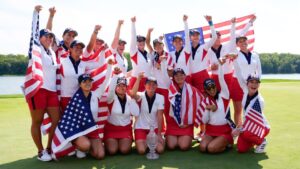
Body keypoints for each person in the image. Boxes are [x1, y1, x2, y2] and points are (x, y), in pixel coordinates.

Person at [25, 5, 60, 161]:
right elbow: (36, 31)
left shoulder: (51, 51)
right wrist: (36, 13)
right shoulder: (36, 48)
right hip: (38, 90)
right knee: (37, 121)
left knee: (56, 119)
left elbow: (48, 31)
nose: (49, 38)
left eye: (50, 37)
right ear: (39, 39)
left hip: (51, 91)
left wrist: (52, 16)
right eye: (45, 37)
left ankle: (49, 147)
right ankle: (40, 151)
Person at [62, 60, 113, 159]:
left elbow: (106, 81)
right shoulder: (76, 98)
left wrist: (110, 66)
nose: (87, 83)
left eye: (89, 81)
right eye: (84, 82)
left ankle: (88, 147)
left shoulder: (95, 94)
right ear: (80, 84)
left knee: (100, 155)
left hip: (92, 128)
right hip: (79, 130)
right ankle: (78, 146)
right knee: (85, 145)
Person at [232, 56, 270, 153]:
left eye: (256, 82)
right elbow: (239, 74)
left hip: (261, 127)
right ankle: (253, 140)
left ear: (259, 84)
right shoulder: (245, 90)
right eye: (251, 82)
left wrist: (238, 130)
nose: (254, 85)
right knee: (241, 148)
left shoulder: (260, 101)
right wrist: (234, 59)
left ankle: (262, 141)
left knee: (245, 134)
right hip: (250, 125)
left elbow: (250, 121)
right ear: (247, 83)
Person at [198, 63, 235, 154]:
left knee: (211, 148)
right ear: (206, 90)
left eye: (213, 87)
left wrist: (221, 66)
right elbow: (204, 120)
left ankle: (227, 144)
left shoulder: (224, 96)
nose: (211, 90)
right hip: (210, 130)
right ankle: (216, 143)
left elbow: (221, 79)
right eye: (208, 89)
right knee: (203, 147)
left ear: (215, 86)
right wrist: (207, 109)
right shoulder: (205, 101)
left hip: (224, 131)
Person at [59, 40, 103, 112]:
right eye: (76, 47)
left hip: (79, 98)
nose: (79, 49)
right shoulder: (62, 61)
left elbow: (100, 64)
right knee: (67, 122)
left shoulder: (83, 64)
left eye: (81, 48)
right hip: (65, 97)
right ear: (70, 49)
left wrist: (103, 51)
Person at [104, 68, 139, 155]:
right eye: (119, 85)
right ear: (116, 87)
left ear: (127, 87)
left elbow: (136, 113)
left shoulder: (129, 99)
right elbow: (111, 90)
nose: (121, 87)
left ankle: (124, 141)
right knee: (112, 151)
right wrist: (115, 75)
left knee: (124, 150)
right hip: (111, 129)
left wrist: (132, 98)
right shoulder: (111, 99)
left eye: (124, 85)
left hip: (125, 129)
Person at [166, 68, 202, 151]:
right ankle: (174, 137)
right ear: (173, 77)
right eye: (176, 75)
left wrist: (190, 122)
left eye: (181, 75)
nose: (179, 77)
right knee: (171, 146)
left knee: (183, 146)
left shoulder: (193, 90)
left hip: (187, 124)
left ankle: (185, 136)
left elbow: (200, 105)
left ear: (185, 76)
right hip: (173, 123)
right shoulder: (170, 88)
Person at [230, 32, 261, 127]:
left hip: (252, 84)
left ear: (247, 42)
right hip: (238, 83)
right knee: (238, 110)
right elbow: (222, 59)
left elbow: (259, 70)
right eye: (240, 41)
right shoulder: (235, 54)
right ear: (237, 44)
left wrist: (257, 82)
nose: (243, 43)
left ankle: (250, 128)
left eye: (244, 41)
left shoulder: (255, 55)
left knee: (251, 108)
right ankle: (239, 129)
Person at [131, 74, 165, 154]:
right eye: (149, 84)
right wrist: (138, 78)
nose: (151, 86)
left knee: (160, 150)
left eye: (153, 84)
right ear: (145, 85)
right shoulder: (140, 95)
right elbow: (133, 94)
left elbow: (160, 116)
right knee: (141, 151)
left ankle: (148, 141)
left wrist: (159, 134)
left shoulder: (160, 97)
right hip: (140, 128)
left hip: (154, 128)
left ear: (156, 86)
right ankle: (146, 141)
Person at [189, 15, 217, 94]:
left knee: (207, 97)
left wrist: (210, 22)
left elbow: (214, 37)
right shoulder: (187, 49)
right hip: (193, 77)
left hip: (203, 75)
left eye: (197, 35)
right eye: (193, 35)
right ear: (190, 37)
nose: (195, 37)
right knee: (197, 100)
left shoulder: (204, 47)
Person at [128, 16, 153, 92]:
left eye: (143, 41)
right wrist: (133, 23)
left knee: (146, 103)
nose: (141, 42)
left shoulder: (148, 55)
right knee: (134, 102)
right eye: (138, 41)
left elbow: (149, 43)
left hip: (147, 82)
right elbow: (132, 37)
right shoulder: (134, 52)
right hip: (136, 80)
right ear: (136, 43)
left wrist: (149, 32)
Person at [169, 15, 191, 83]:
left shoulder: (186, 50)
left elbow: (187, 36)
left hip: (187, 77)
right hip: (176, 79)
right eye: (175, 41)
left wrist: (185, 22)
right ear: (173, 43)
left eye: (179, 40)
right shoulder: (171, 54)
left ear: (183, 42)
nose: (177, 42)